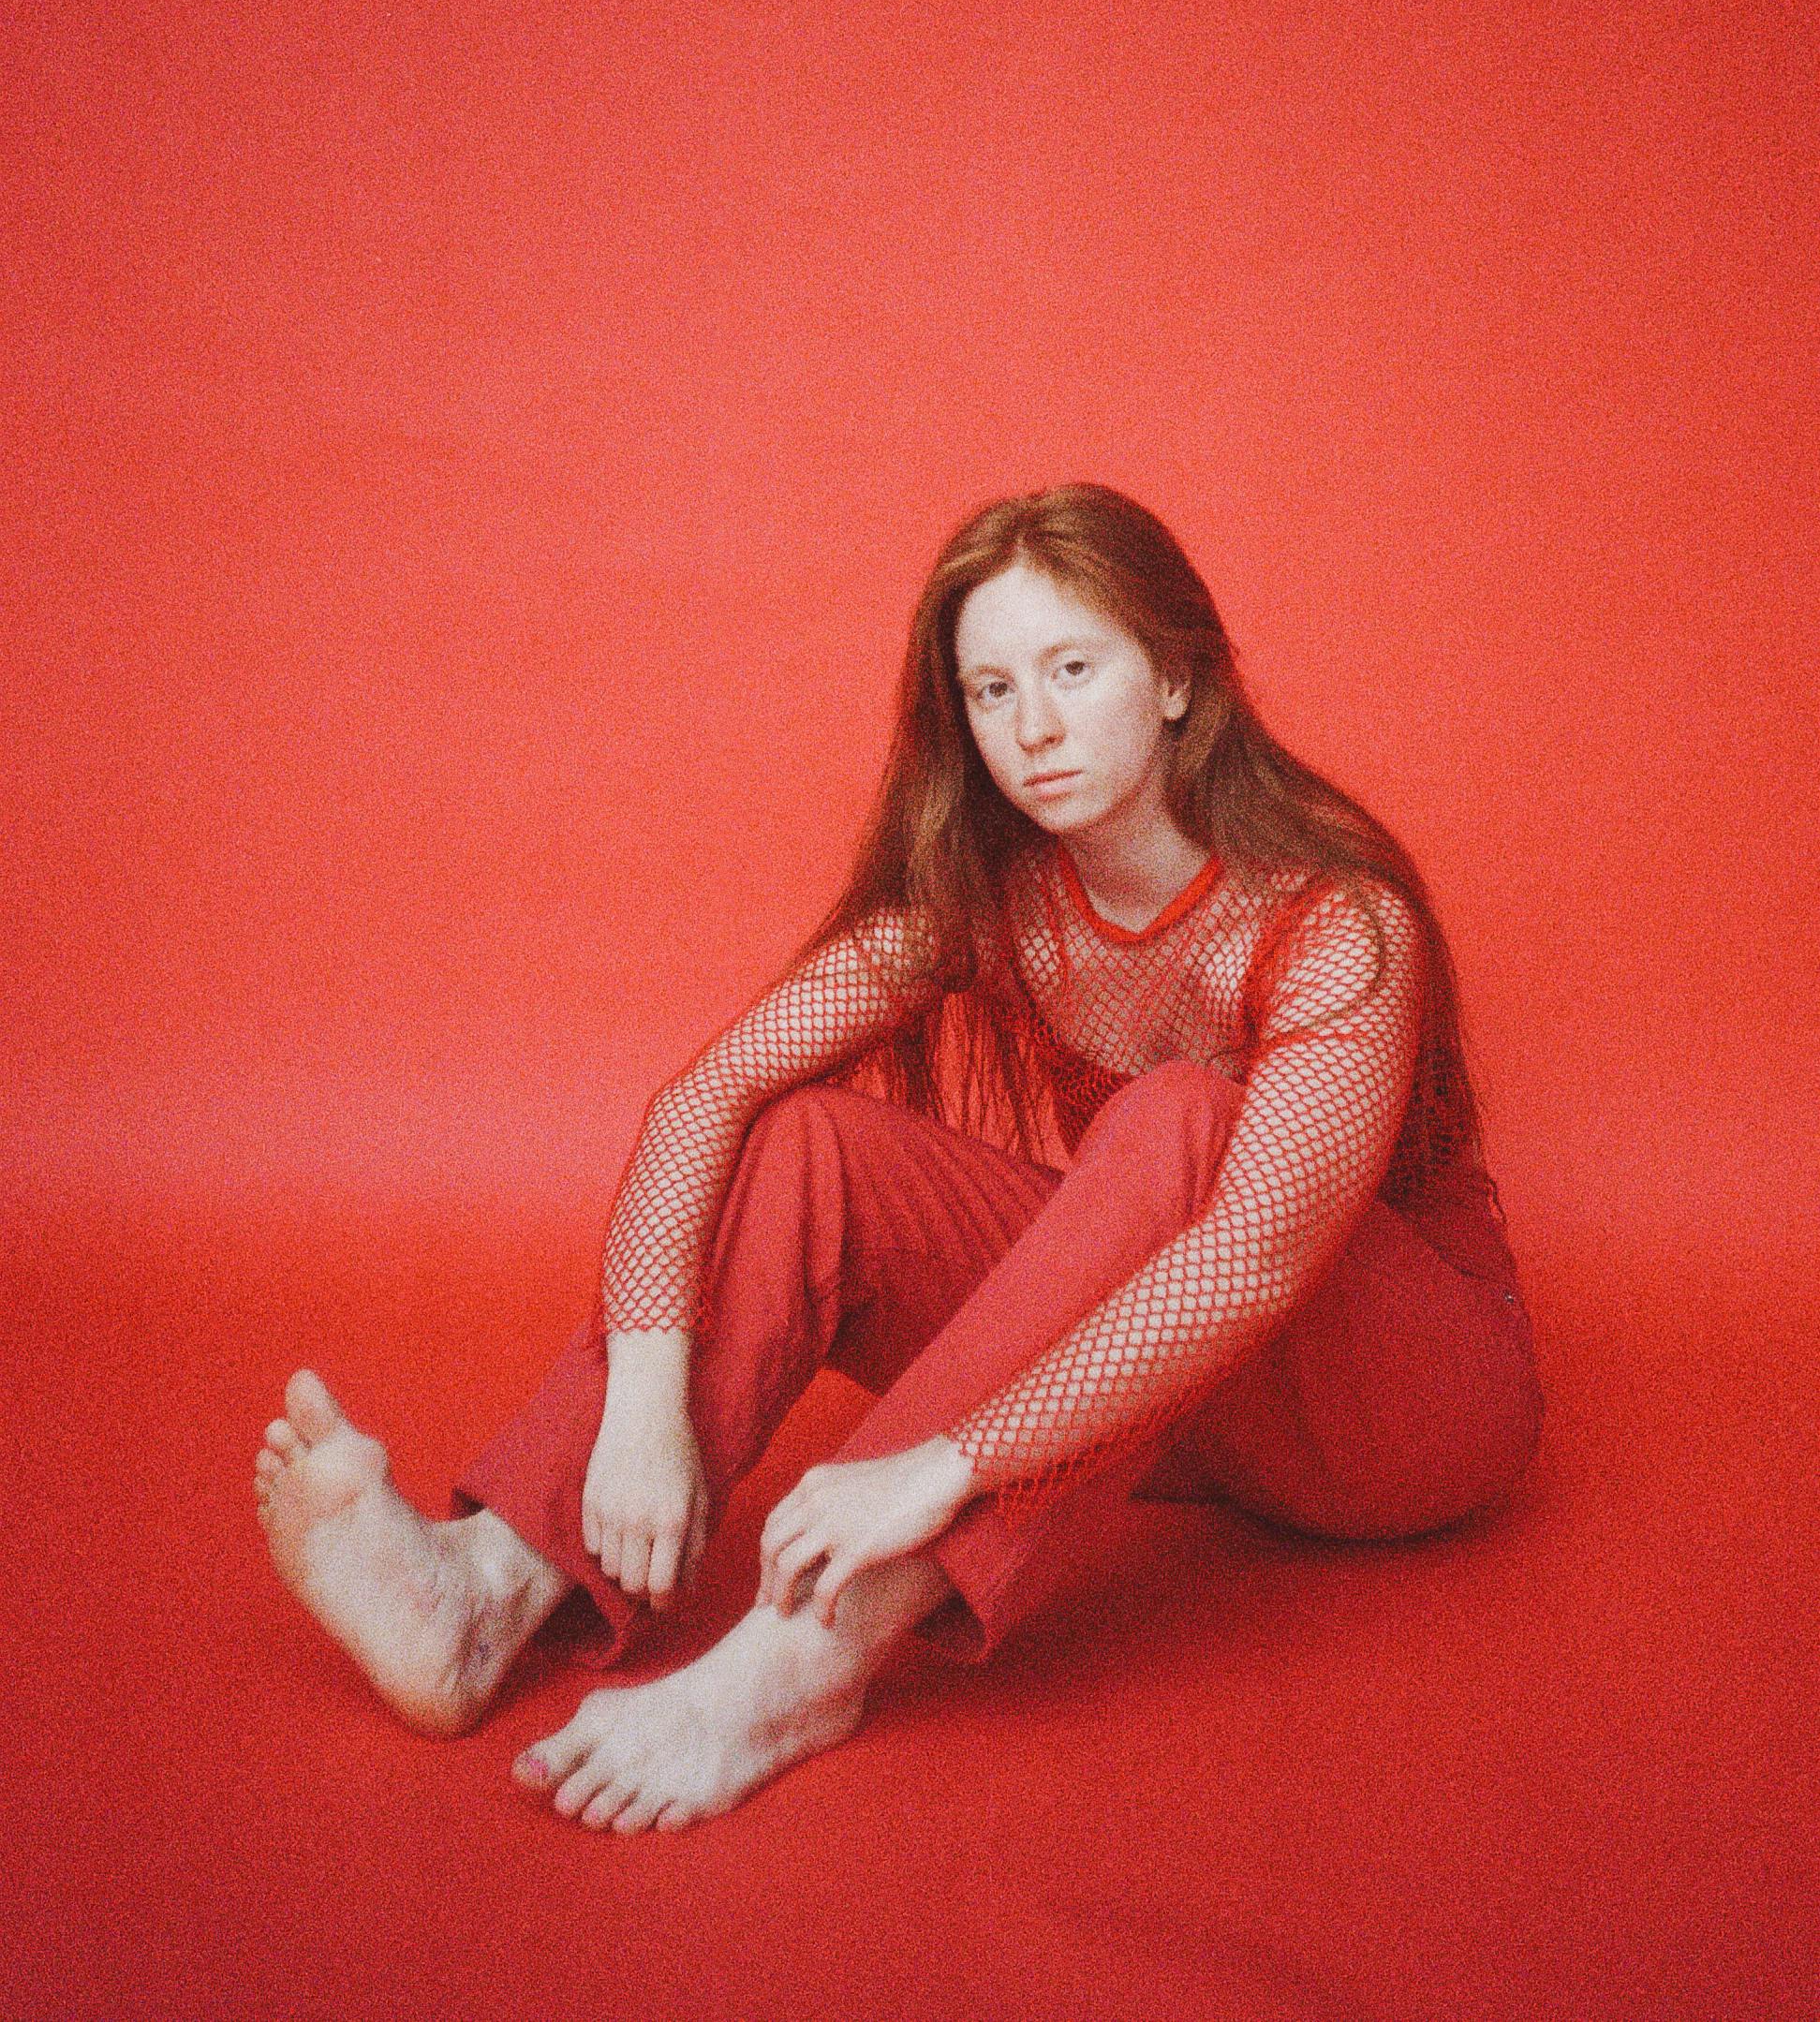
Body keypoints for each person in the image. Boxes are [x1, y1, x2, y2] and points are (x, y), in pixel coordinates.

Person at [255, 482, 1544, 1833]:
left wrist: (944, 1462)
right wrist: (645, 1383)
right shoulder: (990, 902)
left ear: (1176, 675)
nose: (1031, 728)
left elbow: (1248, 1265)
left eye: (1071, 669)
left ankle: (800, 1661)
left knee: (1172, 1118)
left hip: (1404, 1412)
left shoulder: (1339, 922)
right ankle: (490, 1587)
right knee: (814, 1141)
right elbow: (712, 1093)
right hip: (1176, 1408)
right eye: (990, 691)